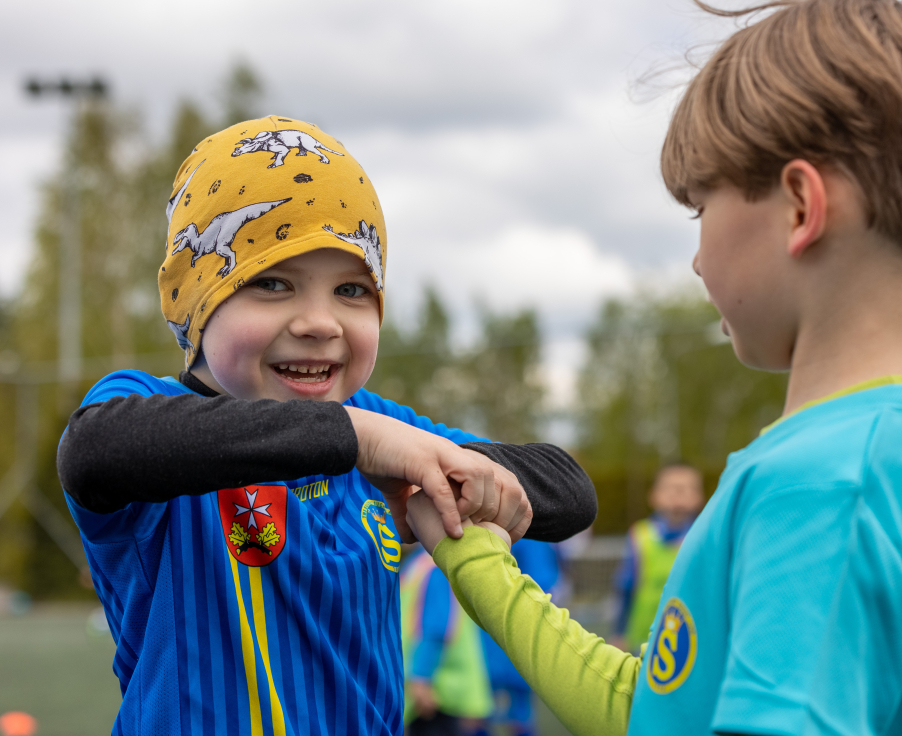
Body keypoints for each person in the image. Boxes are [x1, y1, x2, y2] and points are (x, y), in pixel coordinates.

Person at [405, 0, 902, 736]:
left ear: (801, 208)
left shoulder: (825, 482)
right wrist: (474, 557)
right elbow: (651, 711)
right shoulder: (869, 448)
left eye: (701, 209)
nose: (697, 259)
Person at [55, 116, 597, 735]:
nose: (321, 322)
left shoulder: (383, 428)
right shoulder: (150, 412)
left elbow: (568, 491)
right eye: (272, 283)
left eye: (351, 291)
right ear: (196, 301)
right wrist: (360, 439)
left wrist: (436, 473)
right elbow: (94, 450)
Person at [611, 464, 704, 651]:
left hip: (691, 643)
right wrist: (618, 632)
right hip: (642, 642)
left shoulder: (705, 537)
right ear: (653, 495)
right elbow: (625, 588)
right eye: (670, 487)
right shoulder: (639, 535)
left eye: (686, 488)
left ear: (699, 497)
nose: (677, 494)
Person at [401, 547, 491, 736]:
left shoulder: (434, 566)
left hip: (439, 690)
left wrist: (421, 677)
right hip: (439, 688)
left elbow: (436, 627)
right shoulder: (421, 563)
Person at [482, 539, 561, 736]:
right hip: (501, 639)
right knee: (483, 711)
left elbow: (542, 587)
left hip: (508, 639)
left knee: (508, 711)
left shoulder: (530, 539)